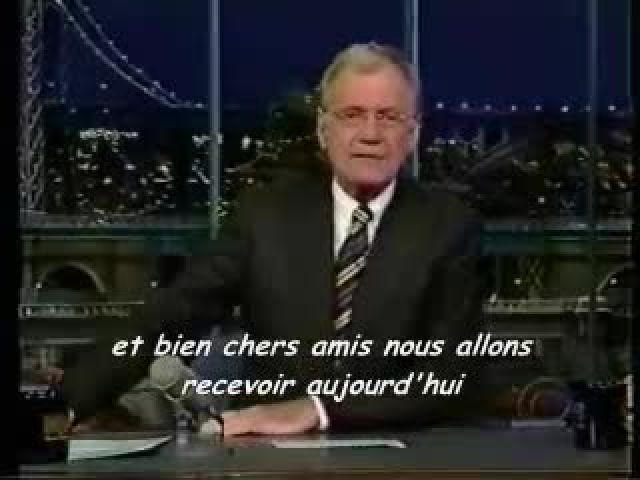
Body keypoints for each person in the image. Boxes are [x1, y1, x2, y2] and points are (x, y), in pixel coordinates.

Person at [60, 42, 490, 435]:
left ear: (412, 134)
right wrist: (68, 405)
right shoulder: (264, 215)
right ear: (323, 129)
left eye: (389, 117)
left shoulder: (449, 226)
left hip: (399, 450)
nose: (370, 134)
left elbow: (451, 377)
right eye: (352, 115)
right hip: (266, 453)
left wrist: (317, 410)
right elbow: (170, 316)